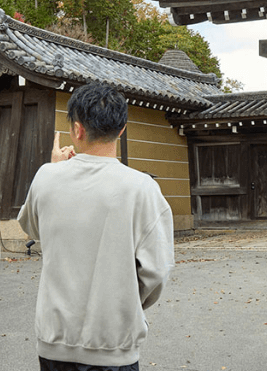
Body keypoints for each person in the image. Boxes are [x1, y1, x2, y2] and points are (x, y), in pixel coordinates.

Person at [18, 82, 174, 371]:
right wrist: (126, 298)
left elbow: (32, 228)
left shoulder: (46, 177)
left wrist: (54, 167)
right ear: (122, 129)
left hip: (55, 342)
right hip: (114, 343)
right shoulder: (142, 188)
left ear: (77, 129)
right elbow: (157, 271)